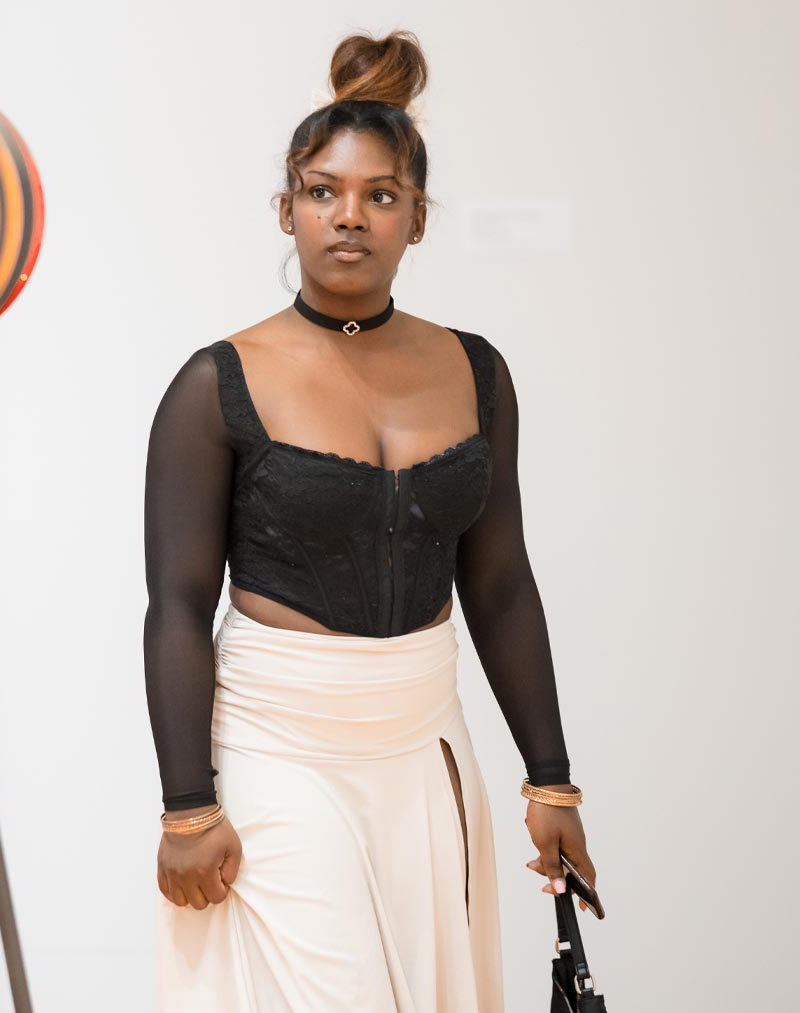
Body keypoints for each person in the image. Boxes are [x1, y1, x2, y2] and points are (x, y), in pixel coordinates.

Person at [142, 31, 599, 1011]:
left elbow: (502, 579)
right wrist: (188, 802)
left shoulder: (477, 371)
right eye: (322, 191)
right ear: (288, 209)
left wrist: (549, 778)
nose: (348, 216)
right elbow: (178, 604)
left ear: (416, 218)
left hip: (424, 742)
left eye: (379, 195)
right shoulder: (213, 383)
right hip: (277, 745)